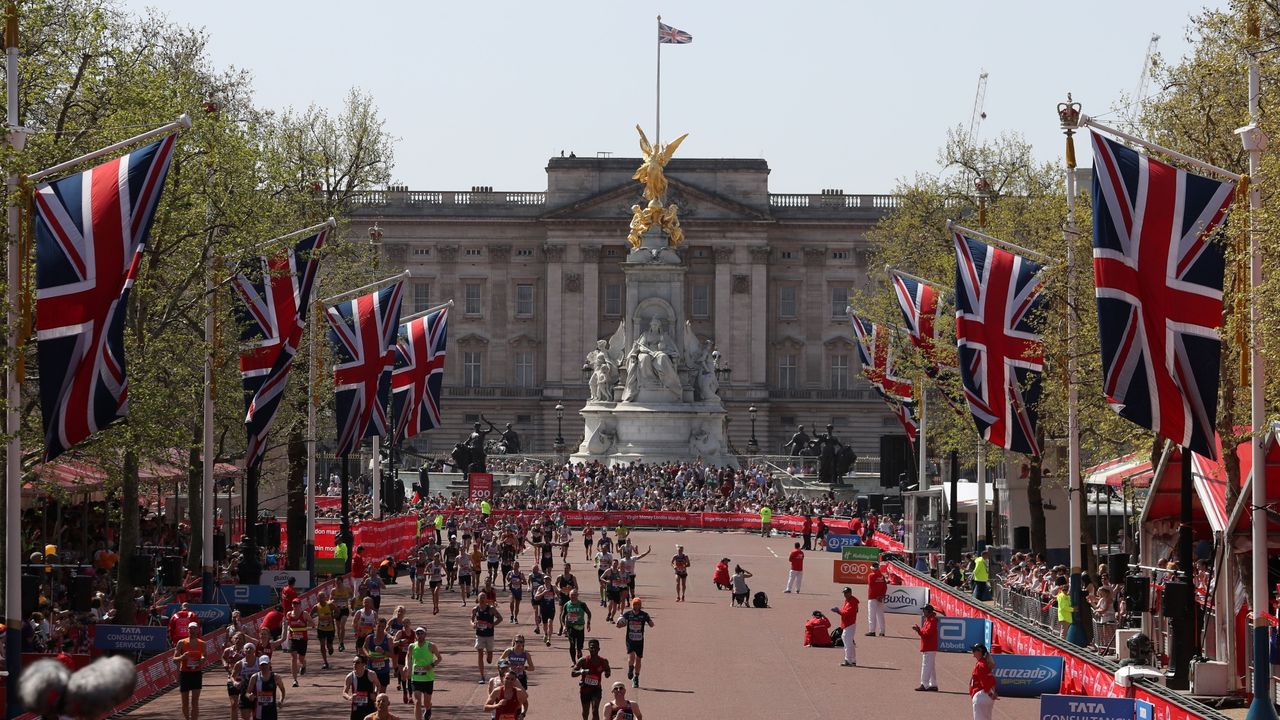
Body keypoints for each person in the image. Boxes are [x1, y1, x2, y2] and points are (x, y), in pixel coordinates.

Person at [615, 597, 653, 688]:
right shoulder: (628, 614)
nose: (636, 606)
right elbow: (620, 624)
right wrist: (619, 624)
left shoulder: (644, 615)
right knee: (631, 656)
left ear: (640, 605)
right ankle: (630, 668)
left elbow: (651, 623)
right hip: (630, 639)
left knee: (638, 659)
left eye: (638, 604)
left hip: (639, 640)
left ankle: (636, 677)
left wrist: (651, 623)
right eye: (635, 604)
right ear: (633, 605)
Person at [405, 627, 440, 720]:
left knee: (426, 702)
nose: (419, 635)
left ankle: (428, 708)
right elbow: (408, 657)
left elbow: (439, 658)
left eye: (421, 633)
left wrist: (431, 665)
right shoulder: (412, 646)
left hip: (428, 678)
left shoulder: (431, 646)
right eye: (417, 633)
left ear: (425, 635)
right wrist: (407, 666)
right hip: (416, 677)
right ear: (415, 635)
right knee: (417, 701)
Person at [572, 638, 611, 720]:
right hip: (585, 689)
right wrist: (581, 671)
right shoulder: (583, 661)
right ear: (588, 649)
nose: (593, 649)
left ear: (599, 649)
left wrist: (607, 673)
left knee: (595, 710)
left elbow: (608, 670)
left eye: (595, 647)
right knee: (585, 712)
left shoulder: (603, 661)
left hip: (596, 689)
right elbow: (573, 673)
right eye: (591, 647)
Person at [174, 622, 205, 720]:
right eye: (190, 629)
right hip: (185, 674)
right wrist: (182, 657)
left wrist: (202, 659)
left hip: (196, 673)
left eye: (194, 628)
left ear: (198, 630)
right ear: (187, 630)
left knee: (195, 702)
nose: (192, 631)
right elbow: (174, 659)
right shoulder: (181, 642)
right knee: (185, 702)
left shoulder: (202, 643)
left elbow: (204, 656)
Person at [471, 594, 504, 683]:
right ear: (477, 599)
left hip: (489, 635)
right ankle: (482, 676)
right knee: (480, 654)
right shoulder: (475, 609)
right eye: (480, 598)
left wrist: (492, 624)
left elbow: (500, 618)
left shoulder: (491, 609)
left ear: (486, 599)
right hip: (479, 635)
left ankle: (489, 654)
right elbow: (471, 620)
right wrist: (473, 624)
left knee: (489, 659)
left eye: (484, 598)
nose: (482, 599)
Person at [281, 600, 311, 687]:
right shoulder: (289, 614)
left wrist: (304, 623)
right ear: (292, 605)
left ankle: (304, 664)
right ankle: (295, 680)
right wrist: (285, 624)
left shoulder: (304, 614)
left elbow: (312, 623)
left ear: (300, 605)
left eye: (297, 604)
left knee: (301, 659)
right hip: (292, 638)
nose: (295, 606)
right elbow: (287, 622)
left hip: (302, 639)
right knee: (293, 657)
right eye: (294, 604)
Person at [245, 655, 285, 720]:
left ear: (269, 664)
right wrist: (249, 696)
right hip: (258, 712)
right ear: (259, 665)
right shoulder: (254, 677)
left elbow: (282, 689)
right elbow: (247, 693)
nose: (264, 667)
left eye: (266, 664)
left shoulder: (276, 677)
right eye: (262, 665)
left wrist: (281, 700)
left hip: (271, 712)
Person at [344, 656, 383, 720]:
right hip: (356, 707)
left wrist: (376, 694)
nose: (354, 664)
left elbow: (378, 685)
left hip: (370, 706)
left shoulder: (371, 674)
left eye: (357, 662)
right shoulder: (350, 676)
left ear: (364, 664)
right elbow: (344, 693)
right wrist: (350, 697)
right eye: (353, 662)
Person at [912, 603, 939, 691]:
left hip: (929, 646)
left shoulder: (932, 621)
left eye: (924, 610)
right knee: (930, 666)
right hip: (929, 646)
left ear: (928, 611)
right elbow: (926, 632)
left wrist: (919, 631)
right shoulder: (929, 620)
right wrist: (919, 630)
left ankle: (924, 684)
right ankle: (933, 684)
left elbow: (927, 634)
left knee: (926, 665)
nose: (923, 611)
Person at [562, 589, 592, 663]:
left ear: (577, 595)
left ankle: (579, 660)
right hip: (570, 627)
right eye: (571, 595)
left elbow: (589, 613)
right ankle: (574, 662)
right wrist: (564, 626)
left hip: (580, 627)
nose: (573, 596)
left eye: (575, 595)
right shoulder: (567, 605)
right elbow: (562, 616)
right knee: (572, 644)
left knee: (579, 647)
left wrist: (588, 623)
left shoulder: (582, 604)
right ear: (569, 596)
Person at [832, 586, 859, 667]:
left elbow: (847, 613)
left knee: (847, 643)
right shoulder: (848, 600)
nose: (845, 594)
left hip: (849, 624)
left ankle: (848, 660)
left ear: (850, 593)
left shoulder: (852, 602)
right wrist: (840, 611)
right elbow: (845, 611)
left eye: (846, 593)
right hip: (847, 624)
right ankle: (853, 660)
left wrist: (838, 611)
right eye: (844, 593)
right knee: (849, 642)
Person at [969, 643, 998, 720]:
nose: (973, 652)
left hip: (981, 696)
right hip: (986, 696)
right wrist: (992, 693)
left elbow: (985, 681)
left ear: (979, 652)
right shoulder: (984, 664)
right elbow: (992, 680)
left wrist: (991, 694)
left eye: (974, 650)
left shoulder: (981, 665)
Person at [313, 592, 337, 670]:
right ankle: (325, 662)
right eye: (319, 597)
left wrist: (332, 617)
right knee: (322, 645)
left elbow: (338, 611)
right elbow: (310, 615)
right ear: (317, 598)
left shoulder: (330, 605)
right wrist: (312, 622)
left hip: (330, 629)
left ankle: (331, 648)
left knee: (329, 645)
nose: (321, 599)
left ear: (325, 598)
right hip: (321, 629)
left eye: (322, 597)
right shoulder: (316, 607)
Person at [534, 578, 558, 647]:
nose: (547, 581)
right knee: (545, 625)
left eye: (548, 579)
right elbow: (536, 597)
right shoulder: (541, 588)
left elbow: (559, 593)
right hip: (543, 608)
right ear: (544, 580)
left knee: (550, 622)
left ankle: (549, 639)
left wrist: (557, 596)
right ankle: (545, 633)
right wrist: (543, 593)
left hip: (551, 608)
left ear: (550, 580)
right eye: (545, 579)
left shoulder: (553, 587)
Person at [866, 561, 888, 636]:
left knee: (871, 614)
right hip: (880, 598)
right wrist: (881, 595)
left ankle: (872, 630)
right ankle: (882, 631)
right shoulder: (882, 576)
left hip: (872, 597)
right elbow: (885, 587)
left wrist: (877, 596)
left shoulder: (871, 576)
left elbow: (871, 586)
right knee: (880, 615)